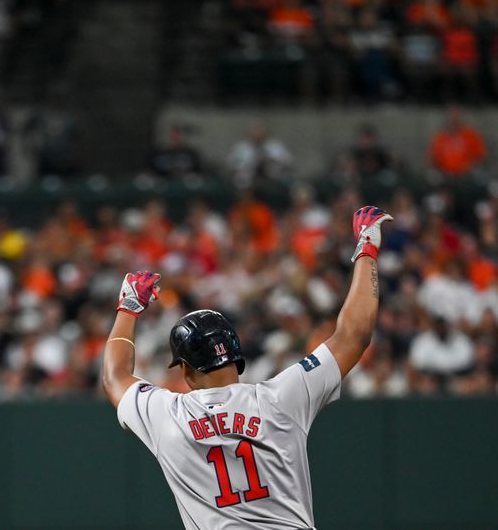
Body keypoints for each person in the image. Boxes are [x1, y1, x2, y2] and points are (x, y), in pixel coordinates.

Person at [102, 206, 392, 529]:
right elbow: (354, 335)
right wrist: (367, 246)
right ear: (237, 359)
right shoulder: (281, 398)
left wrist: (128, 308)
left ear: (185, 371)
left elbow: (114, 376)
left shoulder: (168, 416)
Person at [429, 107, 486, 177]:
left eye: (456, 117)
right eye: (451, 117)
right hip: (445, 175)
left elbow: (480, 156)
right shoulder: (440, 138)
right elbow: (433, 159)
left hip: (467, 175)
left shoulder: (471, 135)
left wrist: (470, 168)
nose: (453, 120)